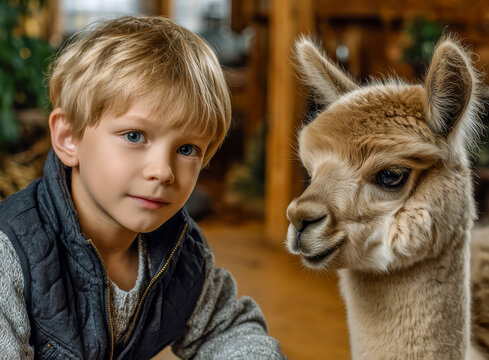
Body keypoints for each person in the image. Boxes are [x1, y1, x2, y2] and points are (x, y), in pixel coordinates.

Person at [0, 16, 284, 359]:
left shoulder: (182, 252)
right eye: (134, 136)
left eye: (186, 149)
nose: (163, 171)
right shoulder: (11, 255)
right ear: (68, 138)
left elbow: (228, 330)